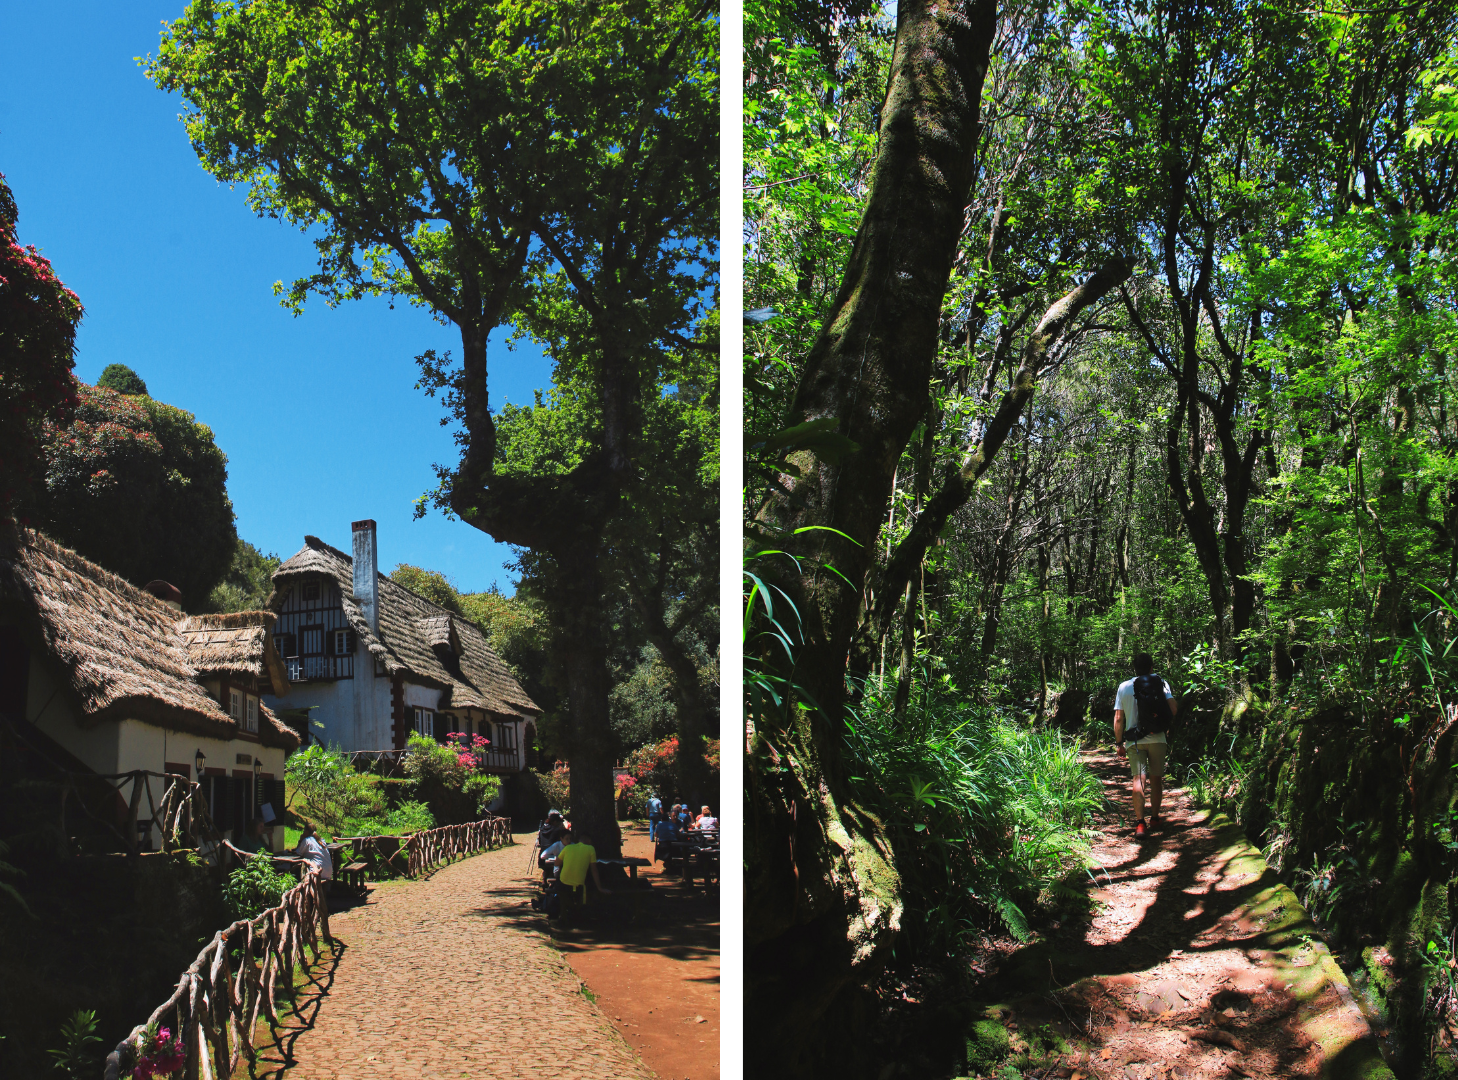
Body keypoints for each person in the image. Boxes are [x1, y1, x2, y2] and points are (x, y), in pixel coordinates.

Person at [1114, 651, 1180, 840]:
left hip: (1134, 741)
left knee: (1138, 779)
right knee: (1156, 779)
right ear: (1152, 667)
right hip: (1158, 738)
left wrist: (1119, 743)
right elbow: (1174, 709)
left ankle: (1140, 823)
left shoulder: (1124, 686)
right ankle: (1155, 818)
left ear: (1134, 668)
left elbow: (1118, 718)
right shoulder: (1161, 683)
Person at [294, 822, 334, 942]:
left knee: (303, 879)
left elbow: (297, 853)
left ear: (306, 831)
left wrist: (300, 840)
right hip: (327, 872)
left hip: (318, 872)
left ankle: (307, 910)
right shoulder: (321, 840)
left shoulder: (306, 841)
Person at [551, 830, 610, 897]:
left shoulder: (567, 847)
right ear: (589, 840)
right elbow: (594, 870)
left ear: (579, 840)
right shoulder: (591, 849)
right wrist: (600, 888)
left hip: (563, 884)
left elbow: (556, 863)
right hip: (578, 886)